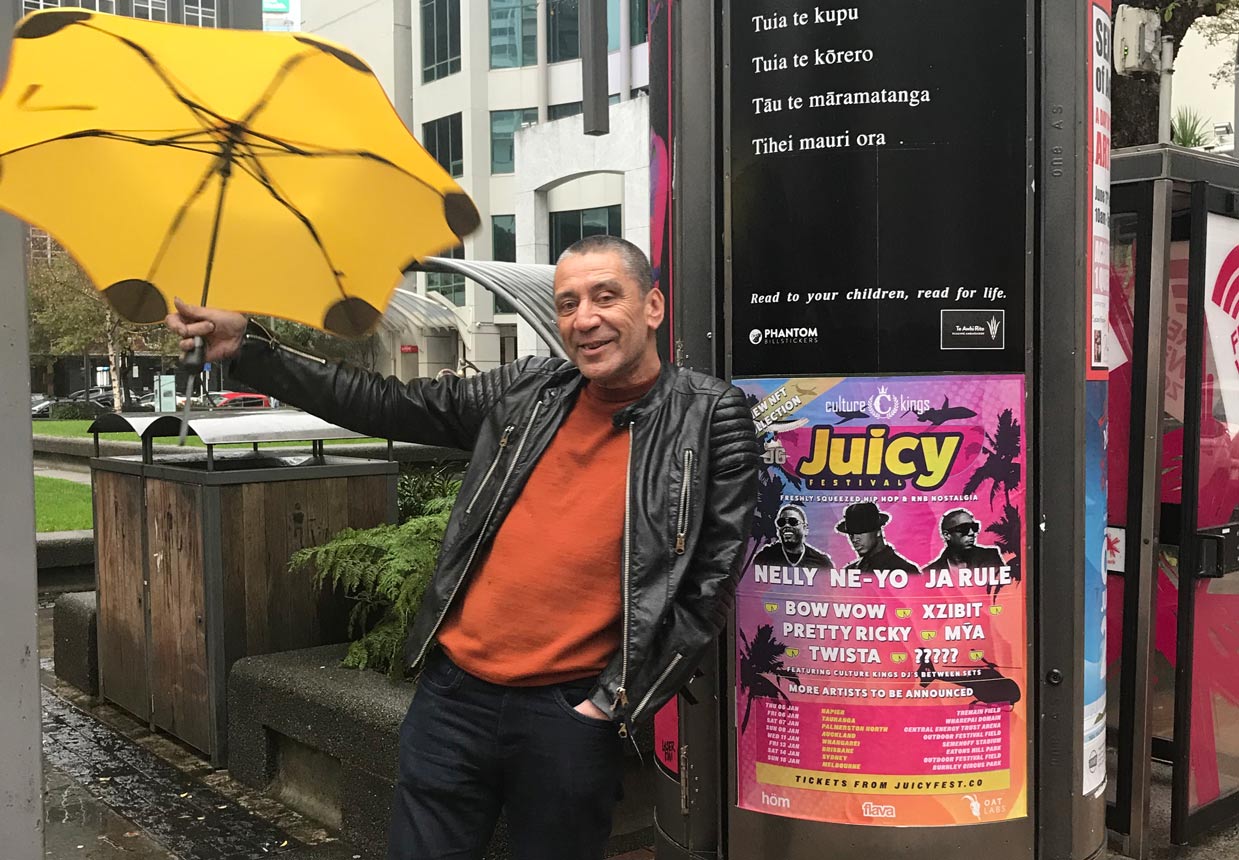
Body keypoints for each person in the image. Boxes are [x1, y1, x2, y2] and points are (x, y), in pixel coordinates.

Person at [166, 235, 760, 860]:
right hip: (453, 699)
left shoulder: (709, 416)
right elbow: (385, 403)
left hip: (569, 714)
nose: (584, 319)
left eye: (605, 297)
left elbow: (709, 586)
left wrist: (611, 702)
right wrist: (252, 352)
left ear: (652, 308)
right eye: (567, 303)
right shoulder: (528, 392)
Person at [836, 501, 919, 573]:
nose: (854, 539)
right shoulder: (849, 572)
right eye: (851, 534)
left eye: (860, 532)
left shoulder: (905, 570)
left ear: (878, 532)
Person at [925, 508, 1005, 573]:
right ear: (947, 535)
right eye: (964, 528)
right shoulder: (930, 572)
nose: (971, 533)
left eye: (974, 527)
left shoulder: (991, 557)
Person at [752, 503, 832, 567]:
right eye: (781, 523)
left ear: (805, 529)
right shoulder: (764, 557)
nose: (786, 526)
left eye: (793, 522)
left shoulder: (822, 563)